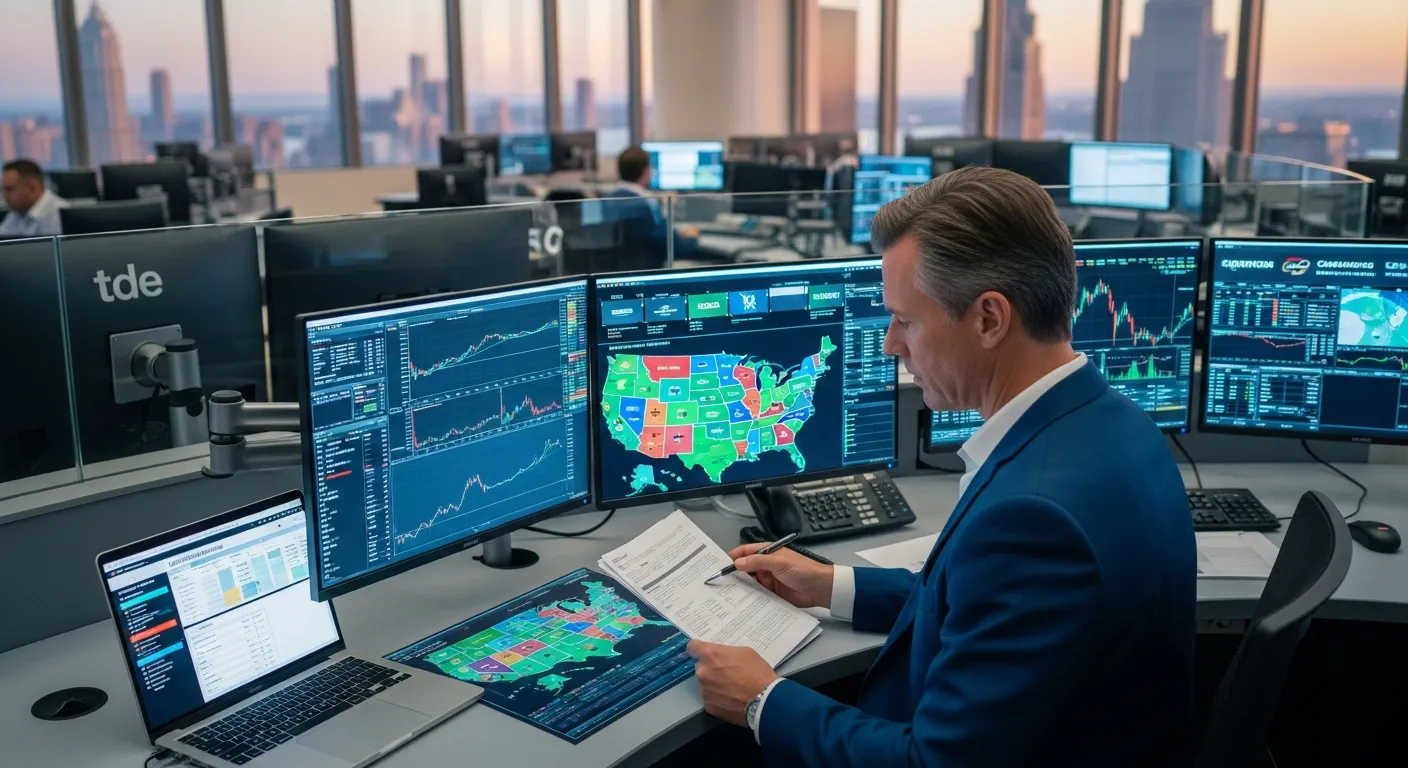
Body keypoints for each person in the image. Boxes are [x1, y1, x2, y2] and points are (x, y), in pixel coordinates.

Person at [685, 166, 1197, 766]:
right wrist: (833, 585)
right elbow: (990, 609)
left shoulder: (1031, 519)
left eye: (906, 319)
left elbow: (935, 764)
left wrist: (761, 701)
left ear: (989, 319)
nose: (890, 345)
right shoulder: (1116, 423)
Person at [602, 145, 699, 262]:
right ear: (646, 172)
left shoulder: (605, 200)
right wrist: (692, 237)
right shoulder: (648, 203)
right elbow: (674, 247)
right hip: (648, 272)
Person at [1, 159, 67, 237]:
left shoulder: (59, 214)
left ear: (32, 187)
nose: (4, 195)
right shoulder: (16, 212)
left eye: (10, 189)